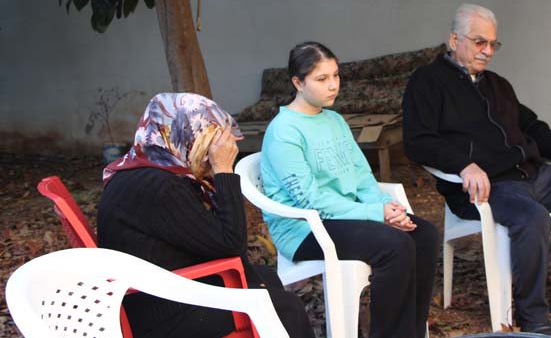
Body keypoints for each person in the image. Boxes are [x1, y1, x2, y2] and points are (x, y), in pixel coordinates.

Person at [402, 4, 551, 337]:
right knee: (532, 217)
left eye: (493, 43)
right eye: (479, 42)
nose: (488, 51)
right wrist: (462, 165)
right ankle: (532, 314)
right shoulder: (427, 81)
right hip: (487, 187)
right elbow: (418, 141)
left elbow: (531, 126)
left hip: (532, 174)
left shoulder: (497, 84)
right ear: (454, 40)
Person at [97, 92, 315, 338]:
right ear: (181, 137)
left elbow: (215, 240)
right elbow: (231, 244)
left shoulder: (144, 170)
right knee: (286, 309)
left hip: (163, 290)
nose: (212, 155)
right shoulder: (159, 187)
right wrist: (223, 170)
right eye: (208, 145)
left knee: (265, 277)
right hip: (163, 313)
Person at [260, 42, 439, 338]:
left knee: (425, 234)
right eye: (321, 79)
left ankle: (411, 332)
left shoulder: (335, 120)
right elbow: (310, 200)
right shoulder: (284, 131)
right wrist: (375, 213)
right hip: (304, 228)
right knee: (394, 245)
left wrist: (387, 207)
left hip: (345, 216)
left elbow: (361, 176)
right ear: (297, 83)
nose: (333, 85)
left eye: (336, 75)